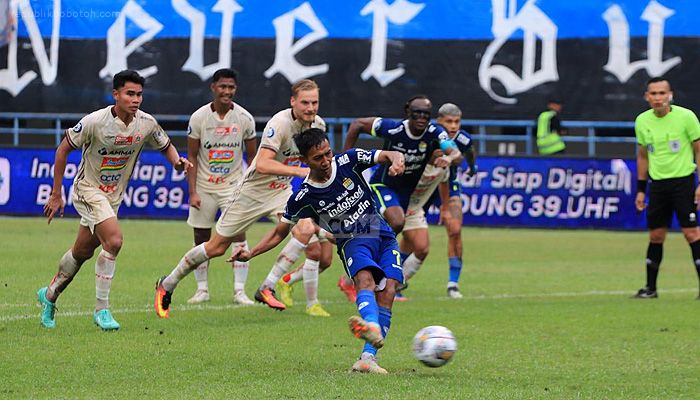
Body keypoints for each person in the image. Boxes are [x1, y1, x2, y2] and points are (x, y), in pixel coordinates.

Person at [229, 128, 406, 373]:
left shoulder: (349, 160)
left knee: (389, 292)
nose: (325, 161)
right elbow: (280, 232)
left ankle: (367, 359)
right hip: (353, 239)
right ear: (304, 161)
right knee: (364, 280)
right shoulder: (304, 196)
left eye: (327, 154)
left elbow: (387, 154)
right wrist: (251, 253)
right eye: (318, 158)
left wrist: (397, 160)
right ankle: (372, 326)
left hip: (380, 231)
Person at [154, 79, 333, 318]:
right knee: (216, 247)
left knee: (306, 230)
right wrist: (300, 172)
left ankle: (268, 286)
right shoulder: (279, 123)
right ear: (293, 102)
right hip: (252, 192)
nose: (311, 108)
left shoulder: (318, 125)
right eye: (305, 103)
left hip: (281, 192)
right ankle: (168, 284)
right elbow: (262, 163)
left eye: (315, 102)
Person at [37, 70, 192, 330]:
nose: (136, 99)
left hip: (113, 197)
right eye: (130, 94)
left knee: (82, 252)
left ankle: (50, 295)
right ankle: (102, 310)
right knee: (115, 241)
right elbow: (63, 149)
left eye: (139, 94)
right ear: (116, 94)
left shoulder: (146, 123)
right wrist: (56, 193)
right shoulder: (95, 121)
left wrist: (177, 162)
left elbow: (165, 145)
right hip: (88, 190)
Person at [341, 95, 456, 300]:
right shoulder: (393, 128)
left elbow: (454, 152)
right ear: (407, 112)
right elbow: (357, 124)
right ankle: (369, 273)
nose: (421, 117)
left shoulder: (435, 132)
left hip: (406, 197)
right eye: (417, 112)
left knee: (421, 247)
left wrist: (449, 155)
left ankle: (386, 281)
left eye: (426, 114)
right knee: (396, 222)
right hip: (383, 186)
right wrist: (344, 159)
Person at [184, 68, 257, 306]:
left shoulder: (245, 118)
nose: (227, 91)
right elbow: (192, 157)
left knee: (238, 233)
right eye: (223, 86)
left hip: (233, 186)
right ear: (213, 88)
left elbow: (255, 158)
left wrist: (248, 187)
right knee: (201, 237)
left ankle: (239, 291)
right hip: (205, 186)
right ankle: (202, 289)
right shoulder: (199, 118)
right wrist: (193, 191)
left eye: (231, 87)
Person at [634, 76, 700, 299]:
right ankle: (650, 288)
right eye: (653, 94)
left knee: (691, 233)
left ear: (670, 95)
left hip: (683, 182)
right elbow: (643, 156)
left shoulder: (686, 117)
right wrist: (641, 189)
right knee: (656, 236)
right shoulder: (642, 121)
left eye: (662, 93)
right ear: (647, 97)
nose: (658, 98)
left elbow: (699, 150)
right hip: (658, 185)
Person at [407, 102, 477, 299]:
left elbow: (468, 152)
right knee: (410, 239)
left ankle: (453, 284)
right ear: (439, 121)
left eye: (457, 122)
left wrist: (472, 167)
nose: (454, 126)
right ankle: (398, 279)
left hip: (448, 184)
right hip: (424, 187)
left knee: (454, 229)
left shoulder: (462, 138)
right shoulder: (429, 135)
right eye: (449, 121)